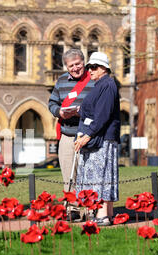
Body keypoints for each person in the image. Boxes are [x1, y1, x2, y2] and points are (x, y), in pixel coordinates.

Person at [74, 52, 121, 226]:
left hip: (102, 138)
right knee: (103, 174)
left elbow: (103, 115)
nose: (90, 70)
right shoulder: (102, 84)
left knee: (101, 175)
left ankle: (102, 214)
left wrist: (88, 135)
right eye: (89, 67)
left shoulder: (107, 85)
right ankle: (106, 213)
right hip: (102, 136)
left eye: (94, 67)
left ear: (104, 68)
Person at [48, 48, 95, 220]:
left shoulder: (94, 80)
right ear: (66, 68)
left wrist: (84, 112)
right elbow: (52, 103)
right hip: (67, 134)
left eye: (78, 64)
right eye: (71, 66)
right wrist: (59, 112)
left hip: (89, 135)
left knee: (89, 173)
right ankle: (72, 209)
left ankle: (91, 209)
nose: (75, 68)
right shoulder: (61, 81)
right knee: (69, 174)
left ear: (84, 62)